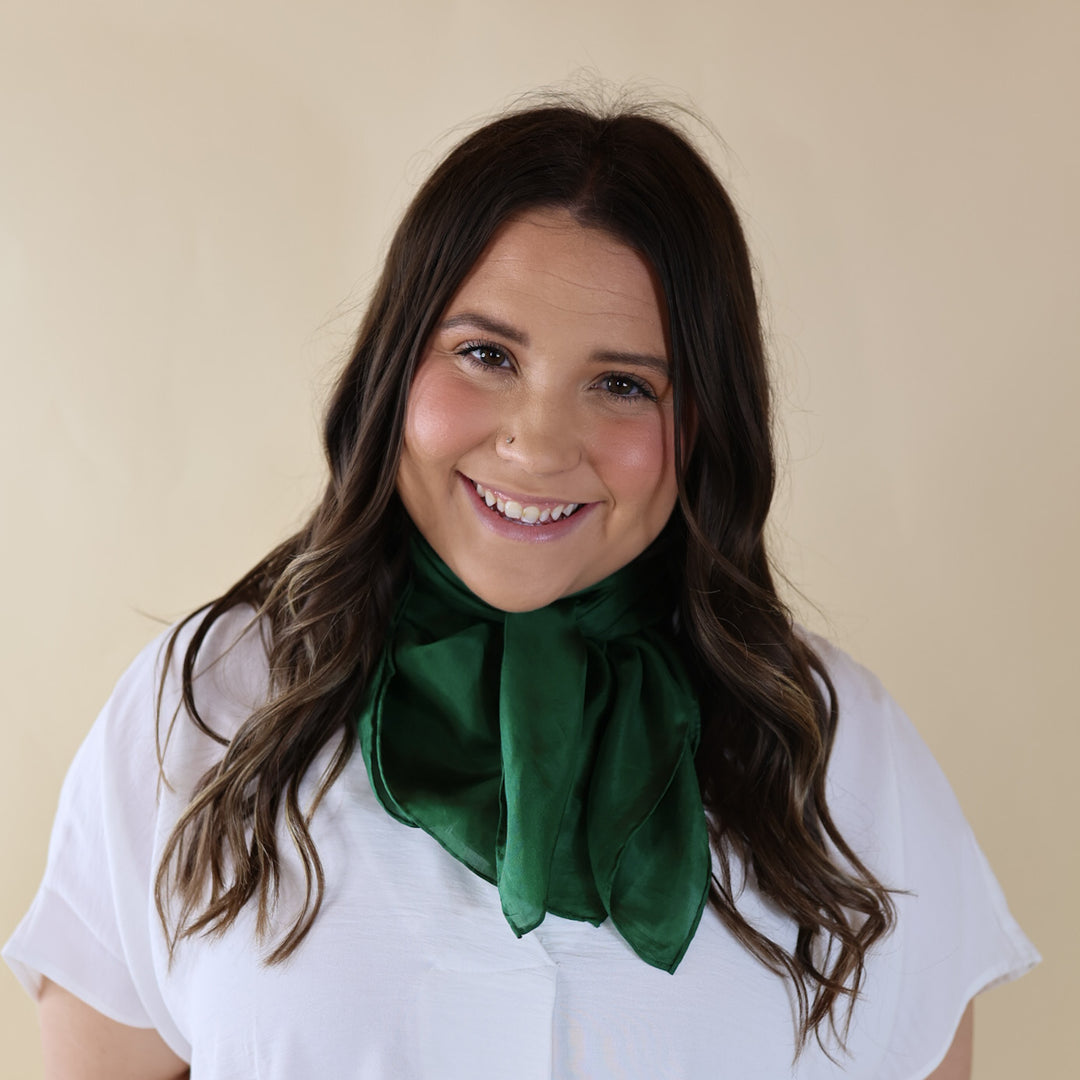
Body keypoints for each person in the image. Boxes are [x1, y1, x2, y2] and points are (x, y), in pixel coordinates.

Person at [5, 100, 1038, 1080]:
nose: (538, 444)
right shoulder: (208, 705)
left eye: (624, 384)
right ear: (393, 369)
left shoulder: (837, 744)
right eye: (486, 354)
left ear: (708, 423)